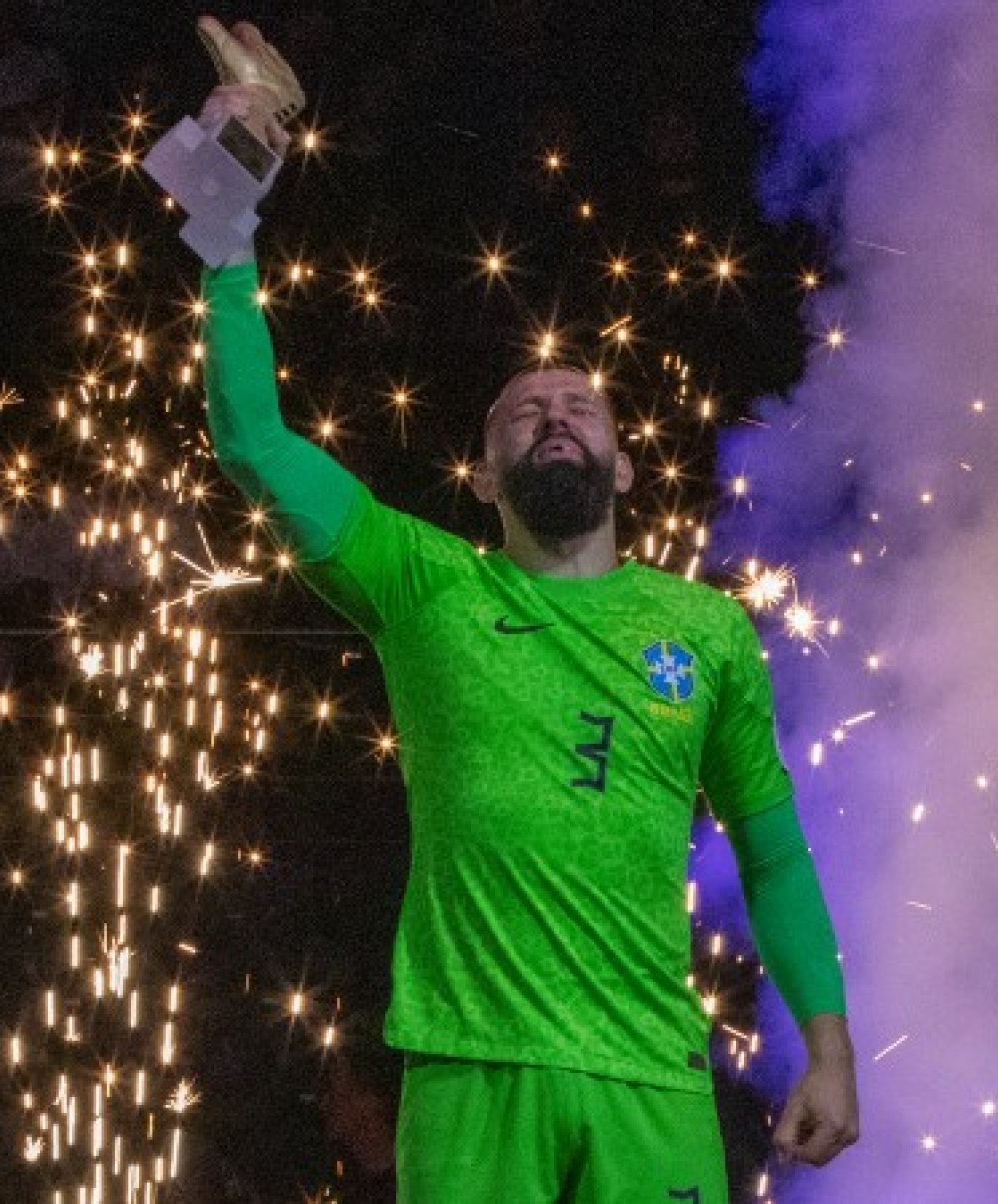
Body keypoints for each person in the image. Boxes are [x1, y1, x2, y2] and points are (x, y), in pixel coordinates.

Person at [193, 19, 858, 1201]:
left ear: (626, 465)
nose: (555, 414)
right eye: (521, 411)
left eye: (581, 406)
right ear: (485, 477)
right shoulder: (424, 580)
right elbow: (250, 436)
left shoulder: (704, 631)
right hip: (469, 1068)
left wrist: (830, 1044)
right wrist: (231, 197)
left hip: (651, 1078)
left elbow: (773, 850)